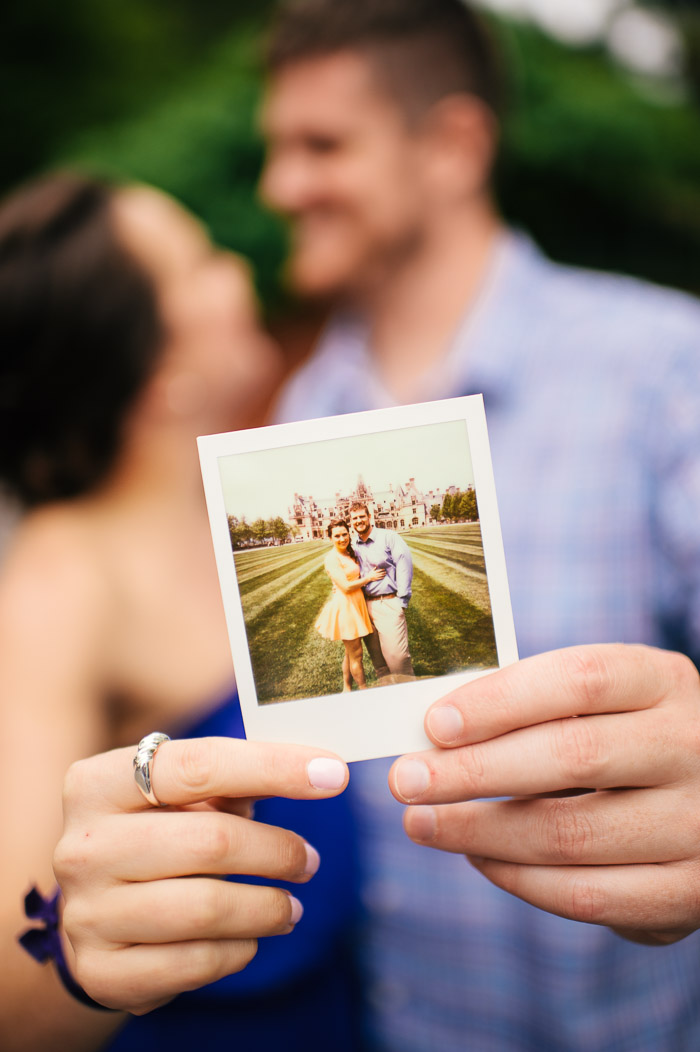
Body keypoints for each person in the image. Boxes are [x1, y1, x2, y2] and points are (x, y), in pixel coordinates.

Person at [259, 0, 700, 1048]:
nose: (281, 187)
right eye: (276, 148)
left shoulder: (663, 364)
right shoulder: (294, 419)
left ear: (453, 145)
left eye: (321, 144)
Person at [0, 172, 359, 1052]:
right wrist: (83, 961)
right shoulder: (61, 584)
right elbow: (12, 988)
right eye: (199, 263)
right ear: (159, 366)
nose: (237, 266)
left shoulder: (244, 519)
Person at [314, 517, 384, 691]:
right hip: (346, 607)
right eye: (337, 536)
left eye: (344, 534)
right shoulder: (332, 558)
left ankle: (347, 688)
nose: (342, 539)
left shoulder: (348, 552)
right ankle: (363, 689)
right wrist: (368, 578)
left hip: (356, 603)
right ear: (330, 538)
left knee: (350, 652)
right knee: (357, 654)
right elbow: (345, 587)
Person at [349, 502, 414, 681]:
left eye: (362, 516)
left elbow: (404, 564)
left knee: (398, 661)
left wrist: (402, 601)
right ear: (351, 522)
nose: (359, 521)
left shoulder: (388, 537)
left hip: (387, 603)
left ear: (369, 517)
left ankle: (409, 696)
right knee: (380, 666)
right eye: (355, 518)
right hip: (364, 606)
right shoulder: (353, 544)